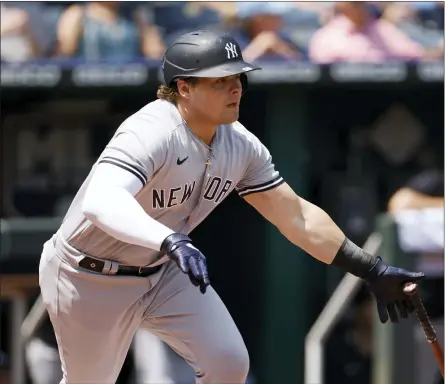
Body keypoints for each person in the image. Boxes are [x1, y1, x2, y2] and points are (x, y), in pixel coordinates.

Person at [38, 30, 425, 384]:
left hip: (161, 273)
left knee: (228, 364)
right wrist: (169, 239)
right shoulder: (151, 130)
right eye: (219, 80)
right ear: (183, 88)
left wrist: (370, 268)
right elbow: (101, 200)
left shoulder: (241, 145)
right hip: (87, 274)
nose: (234, 88)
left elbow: (296, 216)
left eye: (237, 77)